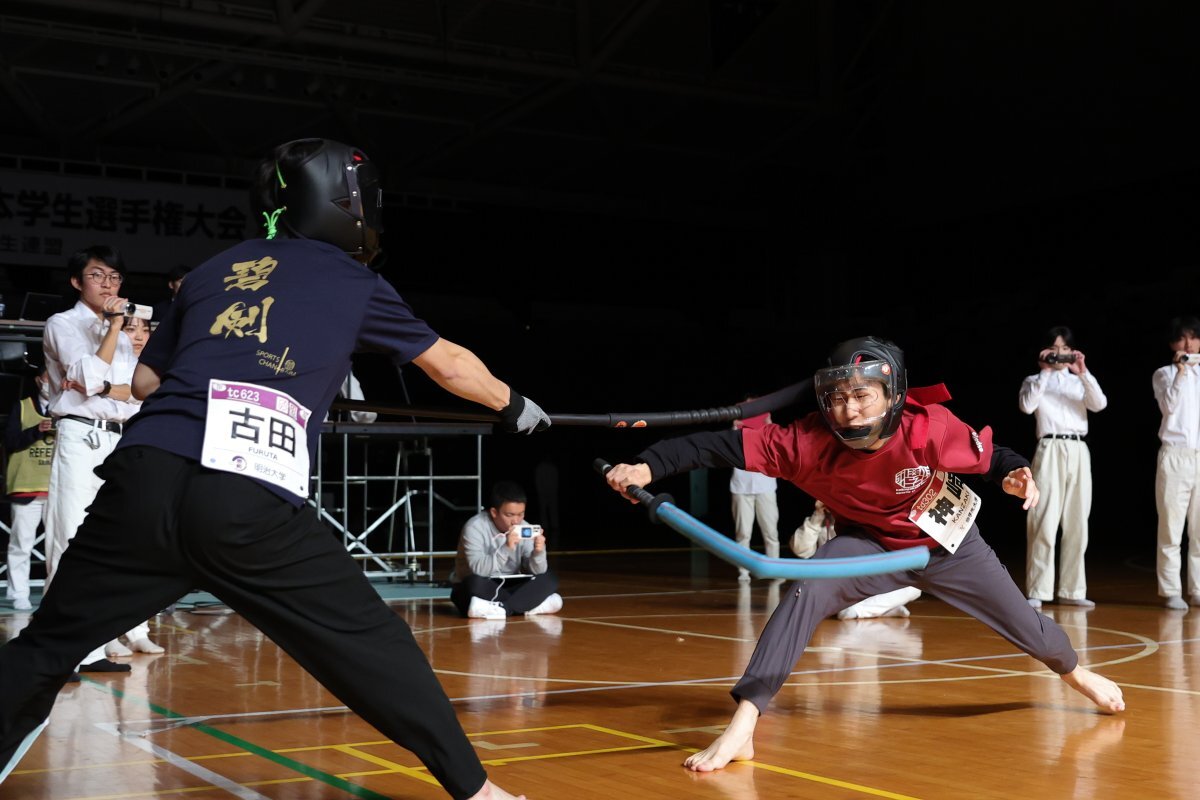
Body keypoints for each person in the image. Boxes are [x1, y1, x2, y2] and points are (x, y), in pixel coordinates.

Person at [0, 138, 545, 800]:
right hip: (246, 494)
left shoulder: (211, 272)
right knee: (369, 644)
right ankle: (479, 793)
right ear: (347, 203)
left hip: (143, 477)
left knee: (45, 648)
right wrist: (514, 406)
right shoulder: (353, 280)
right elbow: (451, 365)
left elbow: (144, 382)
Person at [604, 335, 1126, 774]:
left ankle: (1076, 673)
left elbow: (991, 458)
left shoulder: (929, 426)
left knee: (1025, 623)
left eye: (862, 395)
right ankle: (743, 725)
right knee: (806, 588)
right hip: (869, 545)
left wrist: (1014, 473)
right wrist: (647, 467)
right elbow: (711, 447)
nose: (848, 409)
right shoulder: (803, 442)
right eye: (837, 397)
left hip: (946, 545)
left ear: (892, 395)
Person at [41, 245, 161, 675]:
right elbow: (89, 378)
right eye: (97, 276)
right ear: (77, 282)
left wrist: (112, 373)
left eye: (114, 277)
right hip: (80, 435)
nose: (108, 284)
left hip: (122, 438)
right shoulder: (63, 323)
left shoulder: (126, 331)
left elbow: (138, 391)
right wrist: (113, 327)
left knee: (121, 539)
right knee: (69, 537)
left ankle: (101, 639)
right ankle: (64, 647)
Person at [1018, 325, 1107, 609]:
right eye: (1054, 348)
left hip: (1078, 448)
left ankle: (1072, 590)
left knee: (1077, 521)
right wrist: (1045, 371)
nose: (1060, 354)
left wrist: (1083, 372)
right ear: (1044, 351)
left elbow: (1099, 404)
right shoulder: (1034, 380)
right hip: (1050, 446)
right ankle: (1039, 589)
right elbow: (1027, 406)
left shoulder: (1079, 381)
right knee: (1043, 519)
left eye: (1065, 348)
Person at [450, 480, 562, 619]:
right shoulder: (474, 527)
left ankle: (502, 608)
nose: (516, 521)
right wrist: (507, 548)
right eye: (510, 515)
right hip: (483, 583)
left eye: (520, 514)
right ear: (494, 512)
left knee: (550, 579)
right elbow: (479, 570)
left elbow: (537, 571)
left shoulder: (524, 527)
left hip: (510, 584)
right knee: (473, 584)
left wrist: (538, 552)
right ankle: (527, 605)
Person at [790, 500, 921, 619]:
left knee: (913, 587)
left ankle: (864, 610)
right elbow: (801, 550)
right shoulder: (822, 519)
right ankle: (875, 609)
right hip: (833, 586)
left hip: (863, 584)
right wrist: (817, 516)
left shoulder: (863, 515)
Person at [1152, 315, 1200, 611]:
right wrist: (1181, 371)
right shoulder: (1164, 374)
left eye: (1193, 337)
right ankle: (1171, 590)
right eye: (1182, 338)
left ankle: (1198, 588)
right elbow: (1168, 406)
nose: (1189, 343)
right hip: (1174, 454)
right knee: (1171, 526)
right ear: (1173, 343)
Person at [4, 372, 54, 612]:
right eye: (46, 377)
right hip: (26, 487)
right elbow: (10, 441)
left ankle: (56, 593)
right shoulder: (22, 407)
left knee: (58, 545)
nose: (50, 381)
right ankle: (19, 593)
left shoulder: (69, 408)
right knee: (21, 543)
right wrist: (37, 430)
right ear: (38, 380)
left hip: (57, 487)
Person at [729, 408, 779, 583]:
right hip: (741, 487)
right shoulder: (736, 431)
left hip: (765, 486)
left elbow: (777, 446)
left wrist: (769, 425)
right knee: (743, 533)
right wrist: (735, 427)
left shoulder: (769, 429)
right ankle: (743, 572)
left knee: (771, 532)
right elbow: (729, 449)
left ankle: (774, 570)